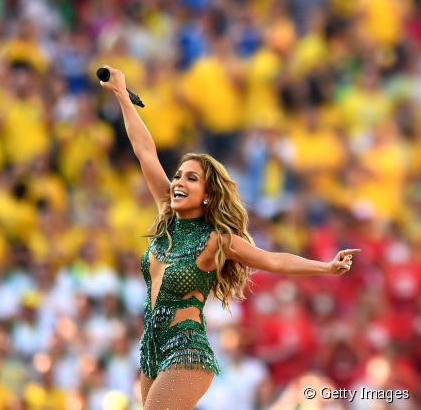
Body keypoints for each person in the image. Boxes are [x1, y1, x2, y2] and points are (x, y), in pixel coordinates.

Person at [99, 66, 360, 409]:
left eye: (191, 178)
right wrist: (122, 94)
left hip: (185, 350)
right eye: (177, 176)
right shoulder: (166, 217)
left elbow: (273, 260)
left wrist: (325, 268)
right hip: (151, 348)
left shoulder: (216, 240)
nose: (177, 182)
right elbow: (145, 151)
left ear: (208, 195)